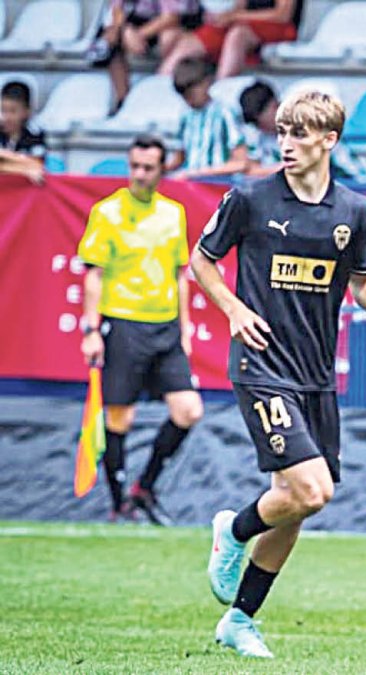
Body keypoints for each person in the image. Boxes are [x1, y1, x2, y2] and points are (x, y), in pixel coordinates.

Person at [191, 89, 366, 659]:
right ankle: (234, 531)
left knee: (299, 501)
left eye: (301, 134)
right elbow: (202, 259)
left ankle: (240, 619)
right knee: (314, 489)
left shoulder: (354, 211)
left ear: (329, 140)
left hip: (316, 372)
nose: (287, 143)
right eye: (283, 132)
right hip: (262, 365)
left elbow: (362, 284)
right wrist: (234, 310)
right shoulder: (251, 198)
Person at [76, 134, 204, 526]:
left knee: (188, 410)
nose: (139, 174)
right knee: (120, 418)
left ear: (162, 169)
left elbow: (181, 275)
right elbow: (94, 275)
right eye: (134, 166)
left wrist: (185, 327)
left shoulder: (173, 213)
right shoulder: (108, 211)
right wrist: (91, 329)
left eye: (148, 168)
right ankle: (119, 504)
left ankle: (145, 486)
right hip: (124, 323)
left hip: (165, 326)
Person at [240, 80, 366, 181]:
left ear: (276, 106)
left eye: (261, 121)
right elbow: (249, 171)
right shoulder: (257, 136)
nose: (259, 127)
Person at [89, 0, 203, 112]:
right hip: (142, 18)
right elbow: (117, 10)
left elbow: (171, 17)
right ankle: (123, 101)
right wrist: (123, 30)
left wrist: (138, 36)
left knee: (168, 37)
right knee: (110, 37)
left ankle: (169, 94)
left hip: (180, 19)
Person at [160, 0, 303, 79]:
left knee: (237, 35)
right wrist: (222, 17)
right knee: (190, 41)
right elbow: (238, 8)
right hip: (243, 22)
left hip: (278, 26)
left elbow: (283, 15)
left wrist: (234, 16)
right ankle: (162, 85)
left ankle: (221, 86)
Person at [167, 57, 248, 179]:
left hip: (218, 186)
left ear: (207, 83)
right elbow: (179, 158)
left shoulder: (225, 113)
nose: (189, 100)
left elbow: (241, 163)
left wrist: (198, 173)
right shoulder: (185, 115)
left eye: (192, 94)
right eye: (184, 96)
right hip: (190, 187)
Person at [0, 81, 47, 184]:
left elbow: (36, 165)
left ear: (27, 111)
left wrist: (5, 159)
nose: (6, 117)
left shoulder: (35, 135)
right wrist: (23, 167)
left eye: (13, 111)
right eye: (3, 110)